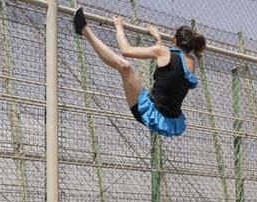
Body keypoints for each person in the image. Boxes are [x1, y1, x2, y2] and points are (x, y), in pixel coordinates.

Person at [73, 7, 205, 136]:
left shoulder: (163, 52)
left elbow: (126, 50)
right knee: (127, 67)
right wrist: (158, 38)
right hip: (170, 120)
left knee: (125, 66)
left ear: (174, 40)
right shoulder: (192, 63)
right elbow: (170, 66)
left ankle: (84, 30)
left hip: (148, 111)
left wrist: (119, 27)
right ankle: (84, 30)